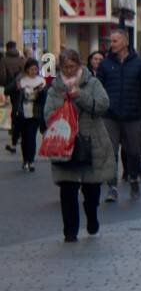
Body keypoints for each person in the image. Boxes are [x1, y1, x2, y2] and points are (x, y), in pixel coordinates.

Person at [44, 50, 113, 242]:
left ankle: (92, 221)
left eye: (72, 66)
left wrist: (80, 96)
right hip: (64, 144)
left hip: (90, 142)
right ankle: (70, 231)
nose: (68, 70)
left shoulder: (92, 83)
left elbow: (103, 105)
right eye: (65, 67)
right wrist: (61, 116)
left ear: (79, 65)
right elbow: (47, 113)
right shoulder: (55, 88)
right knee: (68, 190)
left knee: (91, 190)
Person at [97, 28, 141, 201]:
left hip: (133, 115)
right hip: (110, 115)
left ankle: (133, 179)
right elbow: (98, 88)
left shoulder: (139, 64)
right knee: (110, 152)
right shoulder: (105, 64)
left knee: (133, 151)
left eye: (115, 41)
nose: (112, 44)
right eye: (111, 41)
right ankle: (112, 187)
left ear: (125, 42)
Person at [11, 58, 46, 171]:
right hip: (21, 113)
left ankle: (31, 161)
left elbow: (44, 100)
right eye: (31, 69)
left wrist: (40, 92)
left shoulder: (41, 81)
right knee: (25, 138)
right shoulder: (21, 80)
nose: (33, 71)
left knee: (31, 137)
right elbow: (9, 91)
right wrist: (16, 88)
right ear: (27, 69)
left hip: (35, 113)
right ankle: (25, 160)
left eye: (36, 69)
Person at [2, 40, 25, 153]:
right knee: (18, 106)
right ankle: (17, 131)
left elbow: (2, 76)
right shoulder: (21, 60)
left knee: (15, 108)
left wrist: (5, 85)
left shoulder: (4, 60)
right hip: (21, 87)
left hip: (11, 87)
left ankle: (16, 129)